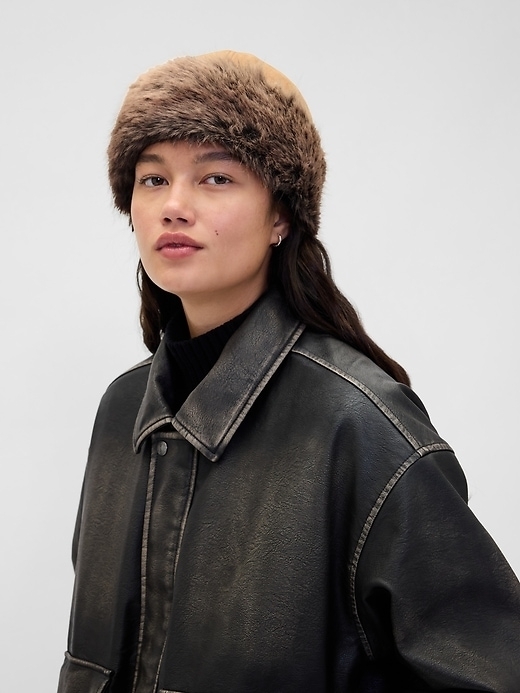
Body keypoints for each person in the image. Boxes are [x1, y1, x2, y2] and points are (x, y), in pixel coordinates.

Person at [57, 51, 520, 693]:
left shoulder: (358, 422)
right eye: (153, 178)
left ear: (281, 215)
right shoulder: (123, 410)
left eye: (216, 178)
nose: (174, 206)